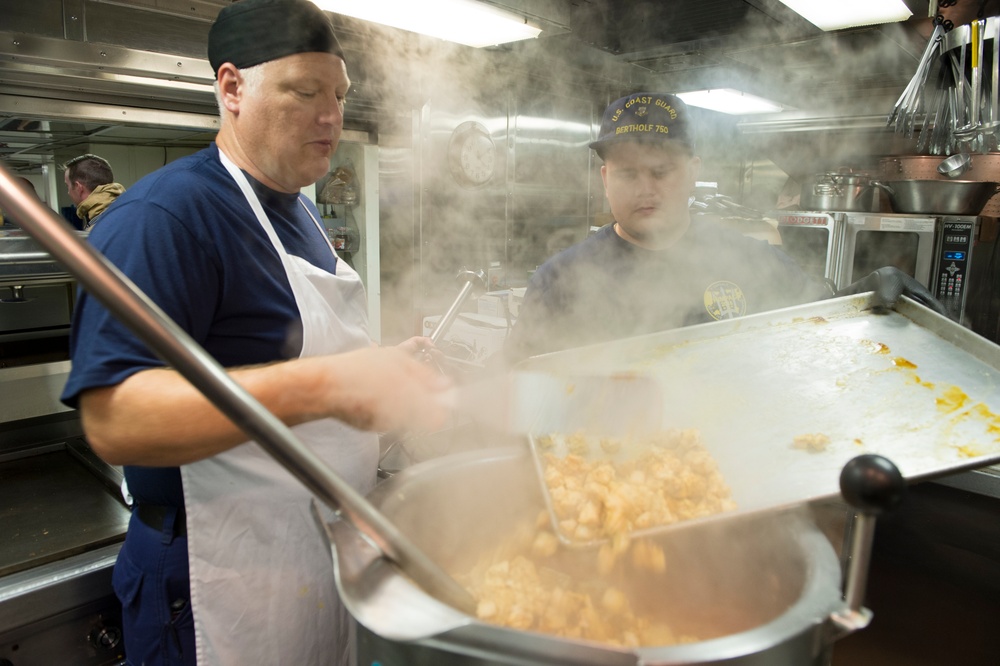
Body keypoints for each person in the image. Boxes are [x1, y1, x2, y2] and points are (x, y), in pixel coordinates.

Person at [59, 1, 451, 664]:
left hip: (304, 558)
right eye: (304, 92)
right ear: (232, 87)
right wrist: (330, 383)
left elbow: (286, 358)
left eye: (339, 95)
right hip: (215, 578)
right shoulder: (166, 216)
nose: (331, 117)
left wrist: (381, 371)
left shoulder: (299, 210)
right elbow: (115, 420)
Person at [504, 92, 946, 363]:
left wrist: (866, 300)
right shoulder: (558, 281)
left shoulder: (751, 262)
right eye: (626, 174)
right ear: (605, 179)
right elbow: (516, 389)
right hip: (603, 479)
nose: (645, 189)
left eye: (661, 171)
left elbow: (821, 326)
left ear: (693, 170)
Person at [61, 153, 125, 229]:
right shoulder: (126, 211)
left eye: (67, 186)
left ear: (78, 187)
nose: (68, 192)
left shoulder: (99, 230)